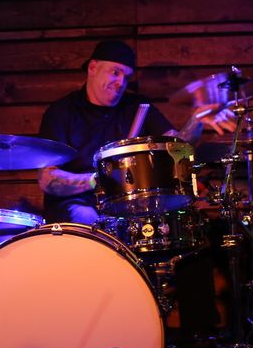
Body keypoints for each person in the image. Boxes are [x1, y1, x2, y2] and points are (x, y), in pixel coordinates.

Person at [37, 39, 235, 225]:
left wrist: (197, 120)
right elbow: (47, 179)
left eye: (126, 77)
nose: (121, 82)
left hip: (128, 203)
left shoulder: (138, 106)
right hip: (77, 204)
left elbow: (176, 146)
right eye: (115, 72)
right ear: (93, 68)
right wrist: (98, 180)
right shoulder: (61, 112)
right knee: (86, 216)